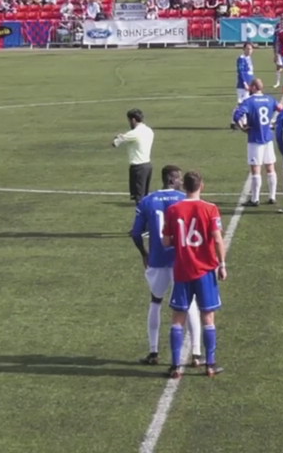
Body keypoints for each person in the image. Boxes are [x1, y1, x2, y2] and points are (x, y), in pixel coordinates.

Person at [130, 165, 203, 367]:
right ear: (173, 180)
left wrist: (144, 254)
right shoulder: (184, 199)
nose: (181, 182)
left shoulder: (147, 200)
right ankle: (196, 353)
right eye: (179, 178)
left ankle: (153, 352)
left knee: (155, 301)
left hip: (157, 259)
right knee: (189, 304)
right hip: (181, 260)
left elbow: (136, 233)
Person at [162, 170, 226, 379]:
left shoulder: (173, 209)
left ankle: (175, 366)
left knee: (178, 318)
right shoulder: (210, 208)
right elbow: (217, 239)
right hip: (205, 270)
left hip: (182, 269)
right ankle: (210, 364)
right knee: (207, 317)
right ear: (201, 186)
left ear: (184, 187)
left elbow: (166, 241)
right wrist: (222, 264)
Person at [233, 78, 280, 206]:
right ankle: (272, 196)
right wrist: (275, 123)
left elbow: (236, 115)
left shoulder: (249, 101)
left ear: (253, 87)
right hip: (268, 137)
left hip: (255, 138)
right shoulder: (270, 99)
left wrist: (242, 127)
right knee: (270, 167)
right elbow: (281, 109)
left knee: (256, 170)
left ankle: (255, 199)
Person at [113, 108, 154, 201]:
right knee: (145, 195)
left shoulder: (134, 133)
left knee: (139, 196)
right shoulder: (149, 130)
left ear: (133, 120)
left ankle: (140, 214)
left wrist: (118, 138)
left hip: (138, 167)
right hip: (147, 165)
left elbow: (115, 143)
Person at [271, 14, 283, 89]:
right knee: (279, 66)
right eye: (282, 19)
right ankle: (277, 82)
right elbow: (275, 40)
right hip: (279, 50)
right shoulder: (277, 27)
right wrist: (275, 53)